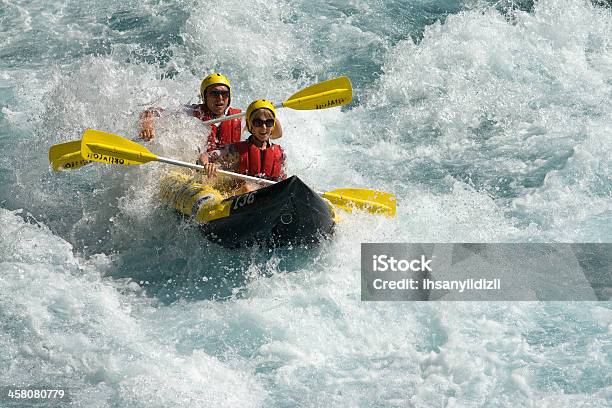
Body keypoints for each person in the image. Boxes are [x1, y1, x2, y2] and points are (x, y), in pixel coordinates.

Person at [139, 73, 282, 159]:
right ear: (204, 97)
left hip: (225, 169)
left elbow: (275, 135)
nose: (220, 98)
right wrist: (147, 123)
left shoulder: (240, 117)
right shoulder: (191, 112)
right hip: (200, 167)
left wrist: (268, 113)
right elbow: (152, 111)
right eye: (214, 93)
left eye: (224, 94)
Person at [200, 99, 287, 194]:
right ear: (250, 125)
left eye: (269, 123)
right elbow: (204, 155)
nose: (264, 127)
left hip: (268, 198)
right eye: (258, 123)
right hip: (238, 196)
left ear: (273, 126)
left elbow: (283, 181)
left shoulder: (281, 153)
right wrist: (207, 165)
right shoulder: (235, 150)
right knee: (247, 188)